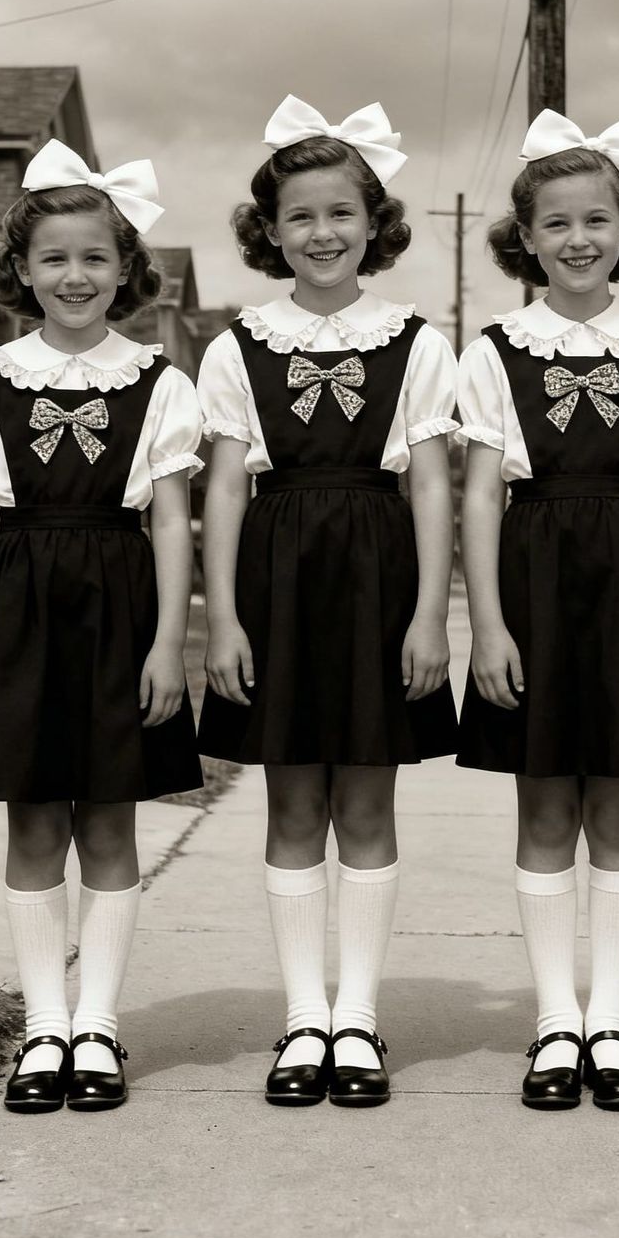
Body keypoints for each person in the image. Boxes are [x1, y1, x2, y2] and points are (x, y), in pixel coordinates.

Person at [196, 97, 459, 1108]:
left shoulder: (413, 342)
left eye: (341, 212)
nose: (321, 233)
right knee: (292, 794)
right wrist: (220, 614)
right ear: (270, 229)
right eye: (300, 215)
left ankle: (359, 1016)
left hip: (378, 573)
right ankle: (304, 1015)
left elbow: (431, 481)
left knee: (367, 795)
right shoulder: (237, 346)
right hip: (276, 577)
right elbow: (223, 485)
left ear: (374, 222)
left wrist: (432, 610)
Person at [0, 139, 203, 1114]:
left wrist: (171, 639)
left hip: (121, 600)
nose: (75, 275)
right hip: (21, 600)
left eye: (94, 256)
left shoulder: (161, 385)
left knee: (111, 818)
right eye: (54, 257)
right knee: (34, 815)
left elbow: (172, 518)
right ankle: (43, 1025)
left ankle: (99, 1024)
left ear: (125, 268)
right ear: (21, 270)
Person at [456, 112, 619, 1112]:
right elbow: (479, 491)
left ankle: (611, 1017)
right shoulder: (493, 350)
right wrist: (486, 623)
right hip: (531, 577)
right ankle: (553, 1018)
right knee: (543, 802)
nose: (575, 239)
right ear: (524, 236)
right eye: (554, 222)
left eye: (595, 219)